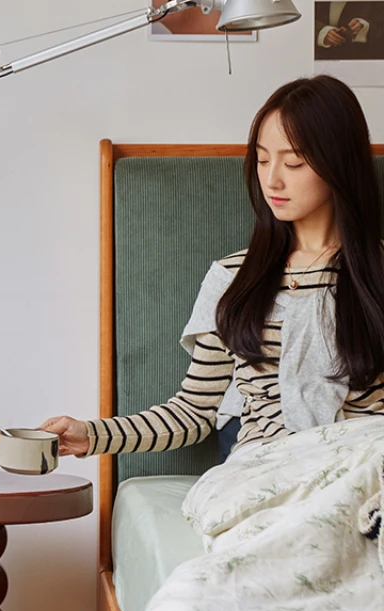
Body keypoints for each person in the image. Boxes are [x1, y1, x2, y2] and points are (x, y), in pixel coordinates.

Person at [38, 74, 384, 462]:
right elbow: (194, 411)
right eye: (263, 159)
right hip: (265, 473)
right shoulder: (234, 278)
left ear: (340, 164)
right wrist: (91, 434)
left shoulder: (377, 275)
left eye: (294, 162)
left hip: (364, 468)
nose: (272, 179)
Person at [314, 1, 384, 60]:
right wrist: (320, 31)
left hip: (361, 60)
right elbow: (305, 14)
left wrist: (365, 28)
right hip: (319, 59)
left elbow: (380, 26)